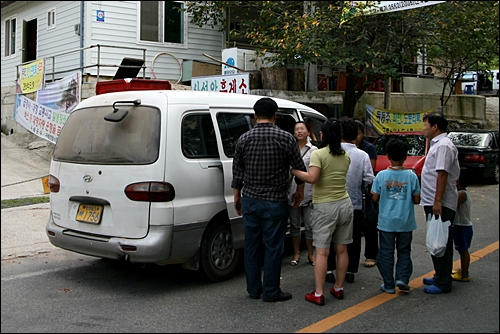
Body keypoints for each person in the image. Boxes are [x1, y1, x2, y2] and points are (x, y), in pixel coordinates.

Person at [232, 97, 307, 302]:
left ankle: (254, 289)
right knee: (274, 246)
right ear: (275, 116)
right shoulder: (286, 139)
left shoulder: (243, 139)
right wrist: (299, 191)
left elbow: (237, 172)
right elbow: (299, 168)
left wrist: (237, 196)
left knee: (251, 246)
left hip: (250, 198)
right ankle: (271, 290)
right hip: (275, 200)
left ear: (255, 116)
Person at [292, 118, 353, 306]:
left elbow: (312, 178)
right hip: (345, 204)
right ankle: (339, 287)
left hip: (325, 206)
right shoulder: (345, 155)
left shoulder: (319, 154)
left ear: (322, 134)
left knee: (322, 252)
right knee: (341, 249)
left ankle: (318, 293)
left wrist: (295, 170)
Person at [326, 118, 374, 284]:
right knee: (351, 239)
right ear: (356, 136)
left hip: (330, 201)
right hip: (354, 203)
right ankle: (350, 270)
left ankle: (329, 269)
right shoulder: (362, 155)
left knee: (330, 237)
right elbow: (369, 179)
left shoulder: (329, 151)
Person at [371, 139, 421, 294]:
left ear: (388, 156)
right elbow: (417, 199)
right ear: (406, 156)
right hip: (406, 221)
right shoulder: (411, 176)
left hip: (386, 221)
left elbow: (374, 197)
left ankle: (388, 283)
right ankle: (402, 278)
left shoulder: (381, 175)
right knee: (404, 250)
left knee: (386, 252)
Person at [420, 112, 460, 294]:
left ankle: (444, 282)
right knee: (436, 237)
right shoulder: (438, 144)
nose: (424, 128)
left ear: (435, 127)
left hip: (440, 201)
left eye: (426, 125)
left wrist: (438, 201)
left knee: (441, 239)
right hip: (432, 200)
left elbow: (442, 174)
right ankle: (439, 274)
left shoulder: (443, 146)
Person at [289, 121, 318, 266]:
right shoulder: (290, 149)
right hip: (292, 192)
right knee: (294, 225)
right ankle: (296, 253)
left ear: (308, 132)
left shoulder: (313, 151)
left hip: (308, 192)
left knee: (309, 225)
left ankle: (311, 254)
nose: (299, 131)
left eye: (302, 129)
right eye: (297, 129)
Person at [354, 120, 379, 268]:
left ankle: (371, 255)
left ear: (363, 134)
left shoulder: (368, 148)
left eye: (358, 133)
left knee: (369, 224)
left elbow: (371, 171)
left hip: (367, 191)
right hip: (351, 191)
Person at [451, 167, 473, 282]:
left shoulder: (461, 194)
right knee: (461, 249)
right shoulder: (461, 193)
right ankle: (463, 270)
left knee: (463, 250)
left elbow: (453, 206)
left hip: (462, 226)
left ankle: (465, 273)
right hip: (460, 225)